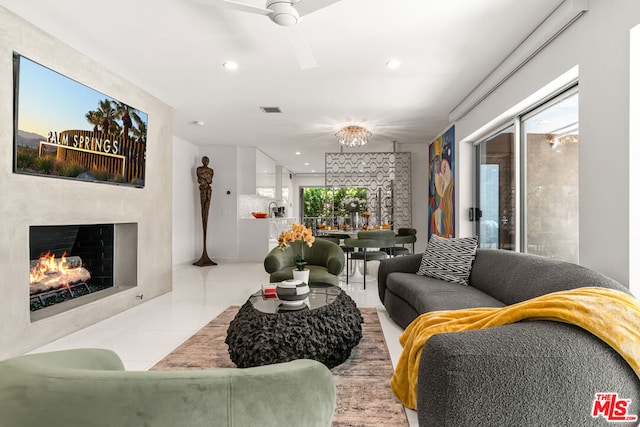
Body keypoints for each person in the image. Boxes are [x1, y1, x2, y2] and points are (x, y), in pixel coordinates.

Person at [194, 156, 216, 266]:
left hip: (208, 191)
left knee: (206, 210)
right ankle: (204, 254)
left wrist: (205, 178)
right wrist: (205, 178)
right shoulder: (198, 169)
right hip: (202, 190)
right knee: (203, 212)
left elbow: (209, 180)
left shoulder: (211, 170)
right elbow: (200, 179)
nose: (206, 162)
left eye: (207, 160)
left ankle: (205, 254)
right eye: (204, 160)